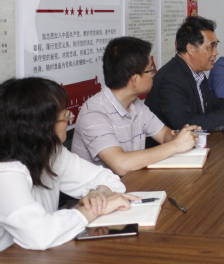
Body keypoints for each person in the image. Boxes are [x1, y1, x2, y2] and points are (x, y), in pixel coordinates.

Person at [0, 77, 137, 251]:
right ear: (40, 126)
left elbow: (107, 177)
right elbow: (39, 234)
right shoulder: (6, 173)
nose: (70, 120)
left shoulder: (51, 152)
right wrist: (95, 210)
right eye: (65, 115)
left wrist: (98, 193)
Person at [72, 37, 200, 176]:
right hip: (100, 189)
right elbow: (121, 165)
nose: (154, 74)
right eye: (150, 70)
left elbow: (164, 135)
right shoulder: (94, 113)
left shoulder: (136, 105)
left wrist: (180, 136)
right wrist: (175, 145)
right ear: (134, 79)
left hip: (131, 182)